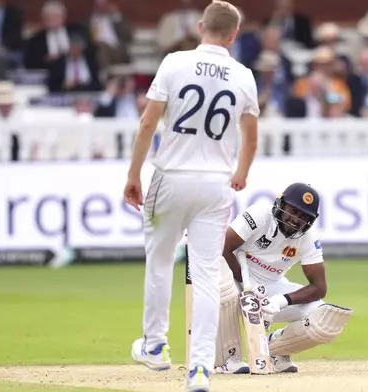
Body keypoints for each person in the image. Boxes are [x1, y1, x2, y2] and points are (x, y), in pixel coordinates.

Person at [123, 1, 259, 391]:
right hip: (216, 183)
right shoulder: (244, 75)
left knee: (160, 259)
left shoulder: (174, 62)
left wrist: (134, 174)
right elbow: (250, 136)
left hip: (172, 176)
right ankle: (200, 369)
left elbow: (149, 121)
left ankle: (154, 346)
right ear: (234, 34)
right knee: (205, 273)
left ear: (202, 26)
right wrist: (241, 174)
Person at [213, 183, 353, 374]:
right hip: (236, 279)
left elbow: (319, 288)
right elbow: (223, 247)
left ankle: (276, 350)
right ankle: (227, 358)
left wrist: (281, 300)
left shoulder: (307, 237)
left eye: (304, 217)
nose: (296, 220)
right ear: (281, 204)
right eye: (293, 211)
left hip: (269, 289)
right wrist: (249, 288)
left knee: (324, 321)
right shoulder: (260, 214)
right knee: (223, 285)